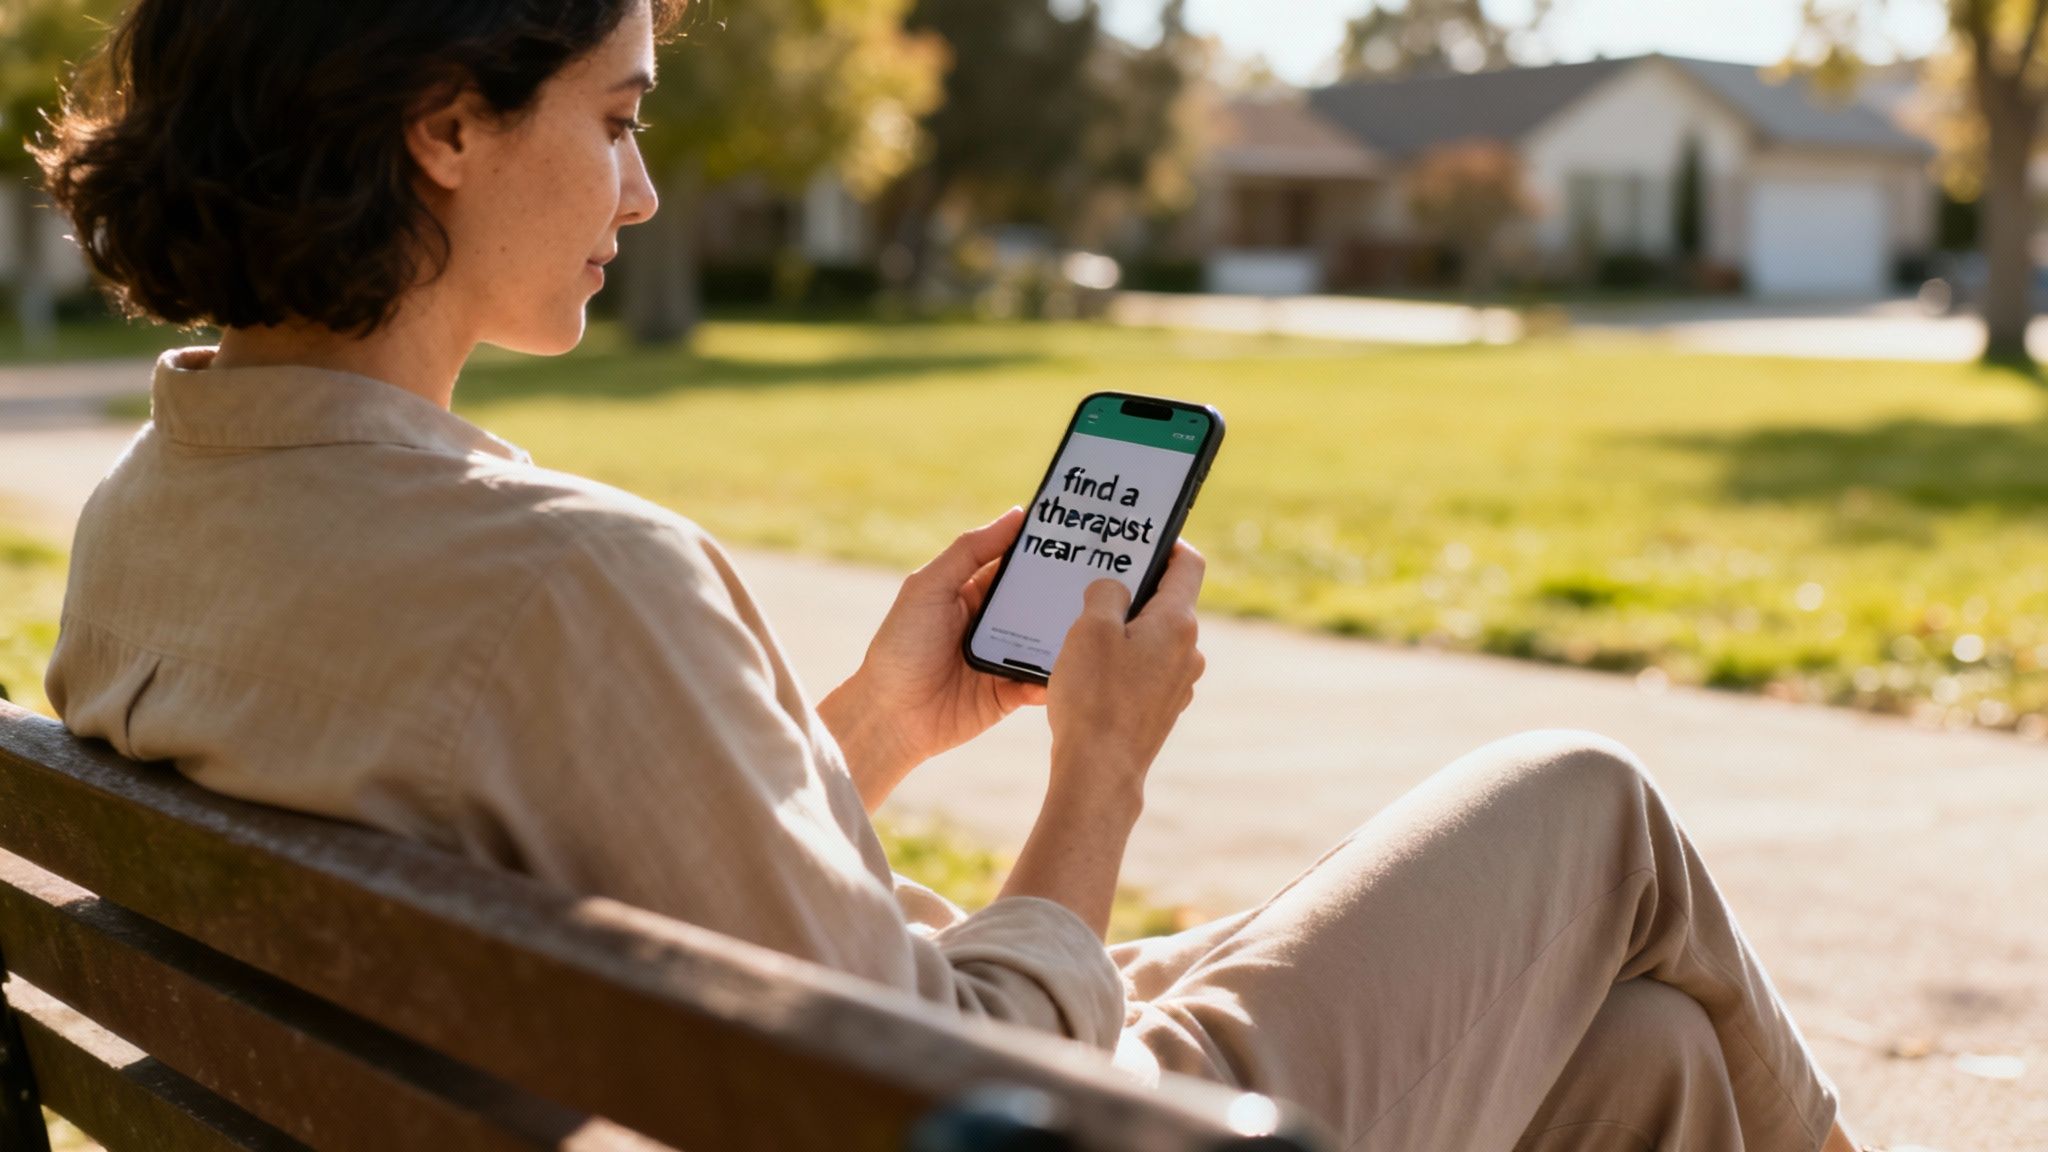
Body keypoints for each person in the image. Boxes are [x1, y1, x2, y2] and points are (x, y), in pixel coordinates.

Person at [29, 2, 1874, 1149]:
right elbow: (941, 1088)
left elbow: (638, 884)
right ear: (443, 124)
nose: (644, 191)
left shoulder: (154, 510)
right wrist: (1101, 774)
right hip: (993, 1132)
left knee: (1640, 1070)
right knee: (1586, 806)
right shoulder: (562, 580)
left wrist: (869, 731)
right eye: (616, 116)